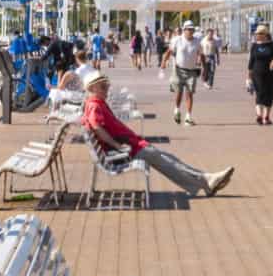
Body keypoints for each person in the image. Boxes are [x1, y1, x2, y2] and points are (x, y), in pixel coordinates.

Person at [80, 69, 233, 196]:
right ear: (92, 88)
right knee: (166, 161)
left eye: (106, 85)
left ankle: (206, 180)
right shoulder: (94, 105)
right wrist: (117, 146)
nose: (106, 89)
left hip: (130, 146)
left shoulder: (96, 103)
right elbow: (97, 128)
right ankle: (206, 181)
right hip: (125, 150)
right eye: (102, 87)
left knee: (168, 158)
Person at [162, 21, 203, 125]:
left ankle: (188, 117)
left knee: (189, 93)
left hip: (192, 71)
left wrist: (204, 69)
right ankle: (177, 110)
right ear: (184, 30)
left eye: (192, 29)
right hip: (178, 70)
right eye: (188, 29)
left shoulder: (197, 41)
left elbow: (201, 54)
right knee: (179, 92)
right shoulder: (177, 40)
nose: (190, 31)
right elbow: (169, 52)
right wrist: (164, 62)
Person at [248, 25, 273, 124]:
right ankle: (259, 115)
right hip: (257, 74)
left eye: (260, 33)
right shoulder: (254, 46)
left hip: (272, 74)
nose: (257, 35)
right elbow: (251, 62)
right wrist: (248, 77)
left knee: (269, 94)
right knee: (260, 93)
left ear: (265, 34)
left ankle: (266, 116)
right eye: (257, 33)